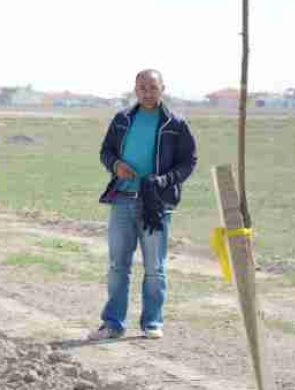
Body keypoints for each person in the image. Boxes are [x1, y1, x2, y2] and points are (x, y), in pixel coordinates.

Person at [89, 69, 197, 340]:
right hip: (122, 200)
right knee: (117, 266)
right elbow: (106, 152)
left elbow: (188, 162)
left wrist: (163, 180)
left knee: (155, 268)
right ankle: (112, 323)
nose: (147, 92)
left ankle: (152, 322)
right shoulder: (122, 119)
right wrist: (116, 165)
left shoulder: (176, 124)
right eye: (142, 88)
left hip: (156, 204)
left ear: (163, 88)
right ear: (135, 90)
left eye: (152, 87)